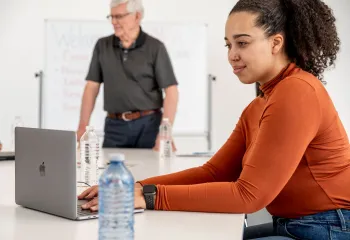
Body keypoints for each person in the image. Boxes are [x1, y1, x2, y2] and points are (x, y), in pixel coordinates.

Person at [79, 0, 350, 239]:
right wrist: (136, 186)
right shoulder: (260, 104)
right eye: (228, 45)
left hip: (327, 227)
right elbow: (214, 172)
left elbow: (248, 195)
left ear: (275, 43)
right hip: (295, 224)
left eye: (242, 43)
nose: (232, 55)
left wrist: (149, 197)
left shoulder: (297, 91)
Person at [77, 0, 179, 150]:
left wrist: (165, 132)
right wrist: (82, 126)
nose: (114, 22)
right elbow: (91, 87)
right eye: (111, 17)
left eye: (119, 16)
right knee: (110, 171)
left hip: (149, 125)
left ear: (137, 16)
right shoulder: (102, 45)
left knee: (151, 172)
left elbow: (171, 91)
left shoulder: (155, 47)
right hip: (114, 126)